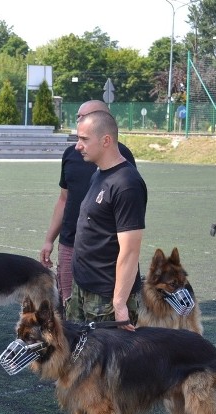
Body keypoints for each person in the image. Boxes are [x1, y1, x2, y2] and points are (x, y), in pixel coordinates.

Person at [53, 110, 147, 414]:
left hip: (108, 296)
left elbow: (130, 249)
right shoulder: (99, 173)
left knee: (109, 378)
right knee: (82, 374)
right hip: (84, 289)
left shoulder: (127, 182)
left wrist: (120, 303)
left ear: (106, 140)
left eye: (83, 139)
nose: (78, 146)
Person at [40, 100, 136, 303]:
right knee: (68, 305)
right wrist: (50, 239)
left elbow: (127, 220)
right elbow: (64, 199)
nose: (78, 121)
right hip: (70, 242)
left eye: (82, 117)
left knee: (101, 313)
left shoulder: (123, 163)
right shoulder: (71, 155)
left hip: (102, 250)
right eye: (78, 117)